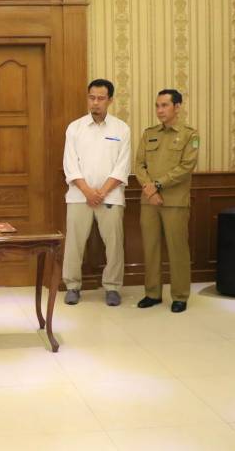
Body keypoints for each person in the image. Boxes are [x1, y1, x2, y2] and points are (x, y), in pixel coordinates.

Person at [62, 79, 131, 306]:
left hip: (110, 196)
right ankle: (72, 286)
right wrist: (87, 192)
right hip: (78, 195)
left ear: (110, 100)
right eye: (92, 97)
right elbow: (70, 164)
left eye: (101, 98)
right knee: (74, 243)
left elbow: (122, 166)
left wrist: (101, 192)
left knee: (114, 244)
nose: (95, 102)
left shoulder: (121, 129)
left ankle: (112, 287)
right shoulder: (75, 128)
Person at [135, 89, 200, 313]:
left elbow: (186, 167)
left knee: (177, 249)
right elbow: (139, 165)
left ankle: (180, 296)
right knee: (150, 248)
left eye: (164, 105)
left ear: (177, 107)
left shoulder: (190, 135)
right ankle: (152, 293)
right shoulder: (149, 133)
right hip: (149, 201)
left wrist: (158, 185)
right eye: (157, 105)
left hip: (175, 202)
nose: (160, 110)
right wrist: (150, 190)